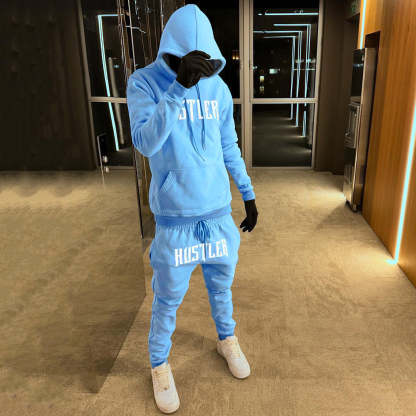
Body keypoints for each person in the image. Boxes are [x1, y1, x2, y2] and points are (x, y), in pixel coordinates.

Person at [127, 4, 258, 414]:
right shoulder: (144, 82)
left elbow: (228, 145)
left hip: (217, 214)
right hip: (175, 219)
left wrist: (248, 194)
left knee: (221, 286)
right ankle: (159, 363)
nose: (199, 69)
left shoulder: (218, 89)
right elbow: (145, 142)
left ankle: (226, 339)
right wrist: (178, 88)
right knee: (168, 297)